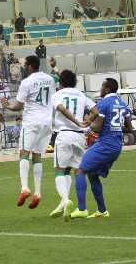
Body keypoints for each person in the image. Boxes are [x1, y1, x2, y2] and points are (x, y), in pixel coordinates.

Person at [71, 78, 132, 219]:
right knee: (92, 174)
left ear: (108, 89)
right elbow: (129, 128)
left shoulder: (103, 104)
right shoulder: (123, 104)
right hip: (117, 145)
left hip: (106, 143)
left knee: (80, 170)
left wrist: (87, 127)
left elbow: (97, 128)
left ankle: (81, 209)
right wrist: (115, 127)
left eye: (102, 86)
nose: (101, 89)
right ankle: (102, 211)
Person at [2, 55, 56, 209]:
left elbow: (18, 106)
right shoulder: (50, 79)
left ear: (31, 66)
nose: (25, 68)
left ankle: (24, 187)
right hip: (47, 122)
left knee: (24, 153)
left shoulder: (27, 82)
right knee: (37, 156)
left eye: (26, 66)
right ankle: (38, 192)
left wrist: (7, 105)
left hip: (32, 121)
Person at [49, 70, 97, 220]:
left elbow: (62, 109)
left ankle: (65, 200)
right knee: (76, 171)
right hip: (79, 137)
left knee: (59, 171)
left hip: (64, 134)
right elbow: (96, 110)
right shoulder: (81, 94)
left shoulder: (57, 95)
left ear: (61, 82)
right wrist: (87, 121)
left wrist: (76, 122)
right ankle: (76, 206)